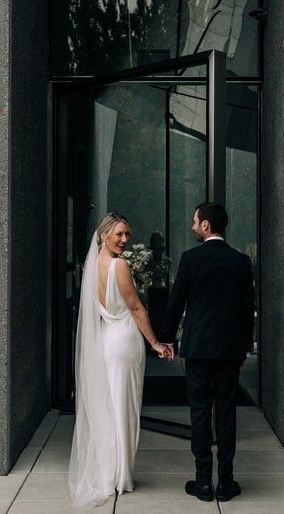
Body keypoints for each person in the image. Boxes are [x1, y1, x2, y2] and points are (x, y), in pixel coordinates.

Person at [68, 213, 174, 507]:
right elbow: (137, 309)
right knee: (124, 409)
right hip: (123, 342)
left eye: (127, 234)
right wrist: (155, 343)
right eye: (119, 235)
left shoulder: (92, 267)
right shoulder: (120, 265)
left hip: (105, 341)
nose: (125, 240)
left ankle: (109, 472)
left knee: (110, 407)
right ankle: (120, 477)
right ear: (103, 236)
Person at [160, 202, 255, 502]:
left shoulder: (191, 259)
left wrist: (166, 339)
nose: (192, 227)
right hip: (229, 348)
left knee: (200, 412)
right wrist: (246, 345)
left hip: (198, 347)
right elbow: (246, 307)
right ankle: (226, 482)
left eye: (194, 221)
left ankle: (203, 481)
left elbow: (175, 303)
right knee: (226, 411)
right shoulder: (241, 262)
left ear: (205, 225)